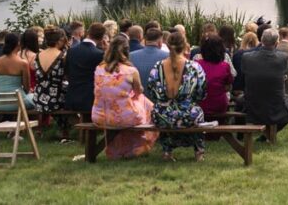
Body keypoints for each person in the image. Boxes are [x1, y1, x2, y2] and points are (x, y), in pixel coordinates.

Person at [92, 35, 157, 159]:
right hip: (124, 117)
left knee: (123, 106)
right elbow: (138, 92)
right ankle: (138, 147)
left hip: (100, 116)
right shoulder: (131, 71)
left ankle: (118, 150)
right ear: (127, 52)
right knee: (146, 103)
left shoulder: (99, 69)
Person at [147, 30, 207, 162]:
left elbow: (152, 92)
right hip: (188, 116)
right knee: (197, 113)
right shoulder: (194, 67)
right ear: (185, 45)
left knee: (163, 113)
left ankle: (167, 152)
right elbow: (201, 94)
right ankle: (199, 152)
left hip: (162, 116)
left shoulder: (157, 67)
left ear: (167, 45)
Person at [243, 29, 288, 133]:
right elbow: (284, 74)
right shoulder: (283, 57)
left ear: (261, 40)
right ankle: (268, 133)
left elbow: (245, 72)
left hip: (252, 101)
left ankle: (266, 133)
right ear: (277, 43)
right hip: (274, 103)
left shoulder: (247, 57)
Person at [64, 23, 108, 113]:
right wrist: (108, 50)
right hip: (91, 99)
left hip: (72, 97)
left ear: (88, 32)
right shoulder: (99, 54)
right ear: (102, 37)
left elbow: (67, 72)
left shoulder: (71, 51)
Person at [34, 27, 69, 130]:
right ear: (59, 41)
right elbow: (66, 75)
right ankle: (64, 129)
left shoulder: (38, 55)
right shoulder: (62, 56)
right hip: (57, 98)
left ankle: (42, 128)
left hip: (39, 97)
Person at [0, 32, 36, 111]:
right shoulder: (22, 63)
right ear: (18, 43)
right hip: (17, 102)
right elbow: (27, 87)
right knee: (36, 98)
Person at [195, 34, 233, 118]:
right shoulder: (225, 66)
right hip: (219, 105)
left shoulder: (196, 64)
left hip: (201, 105)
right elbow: (228, 87)